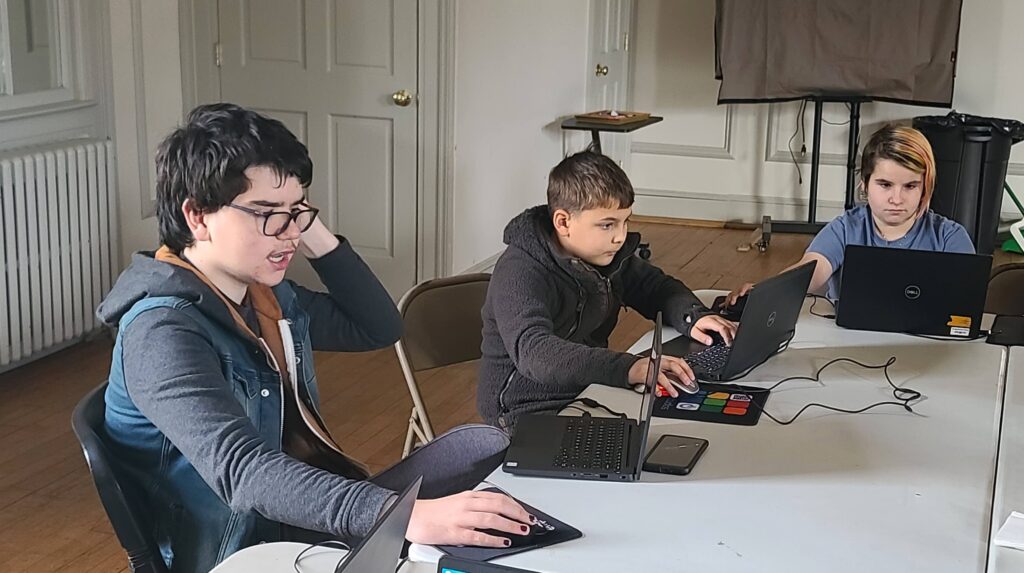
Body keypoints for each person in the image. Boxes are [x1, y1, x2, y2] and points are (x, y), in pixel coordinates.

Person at [98, 103, 532, 573]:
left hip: (295, 510)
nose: (288, 235)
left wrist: (313, 233)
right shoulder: (161, 330)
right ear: (197, 217)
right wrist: (400, 517)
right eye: (266, 213)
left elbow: (379, 328)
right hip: (246, 546)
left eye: (297, 212)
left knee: (482, 446)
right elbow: (245, 472)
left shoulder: (261, 295)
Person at [477, 150, 738, 433]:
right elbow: (535, 352)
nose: (620, 236)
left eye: (625, 221)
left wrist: (693, 317)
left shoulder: (604, 254)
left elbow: (655, 288)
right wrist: (629, 368)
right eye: (607, 224)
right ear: (563, 222)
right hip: (523, 413)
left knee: (692, 428)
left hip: (586, 391)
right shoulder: (520, 270)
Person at [724, 124, 975, 305]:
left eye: (910, 186)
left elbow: (966, 301)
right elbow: (810, 271)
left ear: (925, 186)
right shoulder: (845, 228)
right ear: (864, 184)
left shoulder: (950, 237)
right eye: (885, 185)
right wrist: (762, 293)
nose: (897, 199)